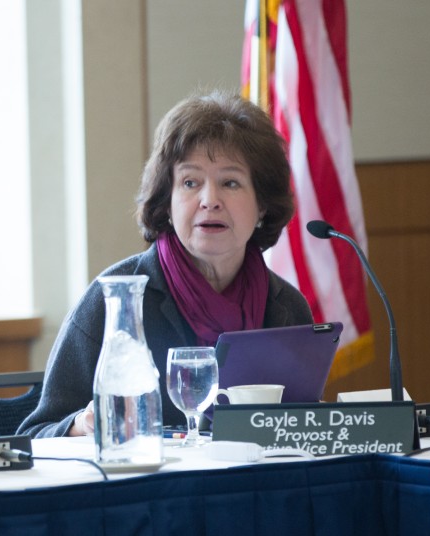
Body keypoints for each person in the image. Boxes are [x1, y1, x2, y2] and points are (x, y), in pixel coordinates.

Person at [17, 89, 313, 439]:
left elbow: (302, 432)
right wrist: (81, 426)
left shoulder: (286, 308)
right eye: (190, 182)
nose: (209, 201)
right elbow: (34, 436)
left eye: (230, 183)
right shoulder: (114, 302)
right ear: (167, 201)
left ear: (262, 204)